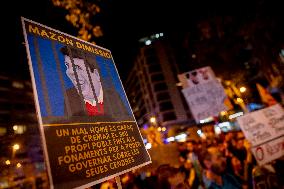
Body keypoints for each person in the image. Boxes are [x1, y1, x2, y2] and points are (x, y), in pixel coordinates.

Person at [60, 46, 104, 116]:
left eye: (77, 67)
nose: (70, 72)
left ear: (96, 74)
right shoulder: (70, 96)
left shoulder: (113, 96)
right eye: (67, 66)